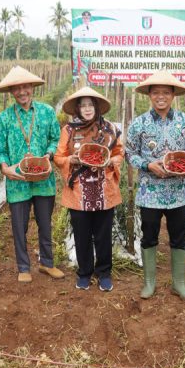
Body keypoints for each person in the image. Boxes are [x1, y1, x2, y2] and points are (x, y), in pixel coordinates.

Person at [126, 70, 185, 301]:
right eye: (156, 92)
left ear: (173, 94)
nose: (160, 97)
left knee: (179, 237)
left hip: (178, 191)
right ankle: (149, 283)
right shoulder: (140, 123)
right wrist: (148, 165)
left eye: (166, 92)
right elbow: (129, 154)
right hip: (150, 192)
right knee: (149, 236)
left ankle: (179, 283)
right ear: (149, 95)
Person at [0, 66, 64, 283]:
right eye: (17, 88)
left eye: (25, 87)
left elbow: (56, 139)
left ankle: (47, 263)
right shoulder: (4, 118)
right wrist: (4, 167)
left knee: (45, 222)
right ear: (12, 92)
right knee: (19, 224)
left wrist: (49, 154)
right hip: (17, 180)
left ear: (32, 88)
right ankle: (23, 266)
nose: (22, 92)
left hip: (43, 176)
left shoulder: (46, 112)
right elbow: (1, 149)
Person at [54, 87, 124, 291]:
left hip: (105, 189)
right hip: (78, 191)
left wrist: (111, 160)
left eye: (90, 105)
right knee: (82, 233)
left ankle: (104, 273)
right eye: (82, 105)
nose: (86, 109)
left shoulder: (110, 128)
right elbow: (58, 157)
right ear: (77, 109)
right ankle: (84, 272)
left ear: (96, 107)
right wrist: (71, 159)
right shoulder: (68, 130)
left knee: (103, 234)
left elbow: (120, 153)